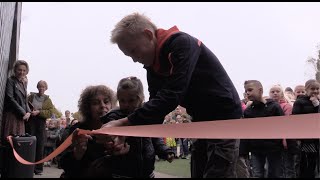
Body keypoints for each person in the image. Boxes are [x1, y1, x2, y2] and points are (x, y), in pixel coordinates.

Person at [102, 12, 242, 178]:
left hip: (226, 118)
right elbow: (155, 109)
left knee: (218, 171)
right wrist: (125, 136)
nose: (134, 59)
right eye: (129, 55)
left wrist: (124, 123)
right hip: (201, 121)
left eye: (134, 51)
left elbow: (171, 95)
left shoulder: (182, 43)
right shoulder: (153, 66)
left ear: (148, 35)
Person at [100, 76, 175, 178]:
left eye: (131, 100)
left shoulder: (146, 116)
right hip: (122, 173)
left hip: (147, 172)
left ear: (141, 98)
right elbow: (112, 135)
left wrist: (165, 151)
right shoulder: (114, 117)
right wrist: (115, 144)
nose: (126, 105)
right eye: (122, 101)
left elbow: (155, 137)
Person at [60, 85, 117, 178]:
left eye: (106, 102)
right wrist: (77, 154)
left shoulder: (119, 129)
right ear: (88, 108)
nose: (102, 106)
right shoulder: (77, 129)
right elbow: (64, 163)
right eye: (96, 103)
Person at [241, 80, 285, 178]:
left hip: (274, 149)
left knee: (274, 174)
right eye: (246, 91)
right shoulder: (248, 111)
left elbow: (284, 127)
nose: (247, 93)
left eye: (250, 90)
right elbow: (246, 132)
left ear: (260, 90)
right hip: (256, 149)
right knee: (257, 174)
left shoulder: (274, 107)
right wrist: (243, 150)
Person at [26, 80, 55, 175]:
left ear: (46, 88)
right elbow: (25, 105)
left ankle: (38, 169)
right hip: (30, 122)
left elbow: (50, 112)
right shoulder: (31, 96)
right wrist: (30, 112)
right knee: (30, 143)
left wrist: (39, 112)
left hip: (41, 123)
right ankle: (28, 167)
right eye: (39, 86)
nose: (41, 88)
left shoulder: (48, 100)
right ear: (37, 87)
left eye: (43, 87)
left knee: (40, 145)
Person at [292, 79, 320, 178]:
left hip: (317, 139)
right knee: (307, 164)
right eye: (313, 89)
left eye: (317, 89)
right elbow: (296, 120)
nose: (315, 91)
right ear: (307, 89)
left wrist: (317, 105)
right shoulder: (299, 102)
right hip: (307, 140)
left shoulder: (318, 102)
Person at [1, 60, 31, 142]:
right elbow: (10, 98)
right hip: (12, 115)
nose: (22, 72)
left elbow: (25, 100)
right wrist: (23, 112)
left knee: (19, 142)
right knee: (10, 140)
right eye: (19, 70)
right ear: (15, 70)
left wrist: (29, 112)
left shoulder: (23, 83)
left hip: (21, 117)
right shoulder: (11, 80)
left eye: (24, 70)